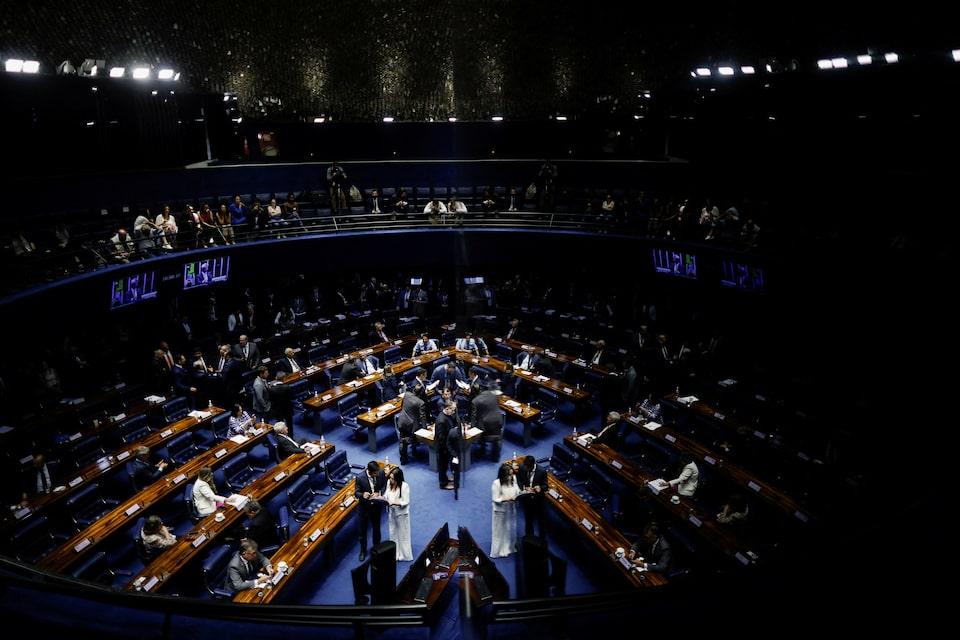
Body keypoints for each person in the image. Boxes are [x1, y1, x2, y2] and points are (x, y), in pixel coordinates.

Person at [355, 461, 386, 561]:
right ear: (369, 472)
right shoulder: (360, 478)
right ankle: (363, 551)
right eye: (375, 473)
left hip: (376, 507)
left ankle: (377, 548)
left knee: (376, 529)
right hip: (364, 508)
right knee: (362, 532)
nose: (377, 474)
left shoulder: (380, 472)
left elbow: (384, 485)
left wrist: (379, 493)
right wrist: (362, 494)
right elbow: (356, 493)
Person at [490, 463, 521, 558]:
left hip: (511, 509)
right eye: (508, 475)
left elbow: (517, 490)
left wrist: (521, 493)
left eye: (511, 474)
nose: (511, 477)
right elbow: (495, 499)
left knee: (510, 529)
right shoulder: (496, 483)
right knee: (499, 531)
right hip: (500, 511)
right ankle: (497, 551)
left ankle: (509, 548)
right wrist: (506, 499)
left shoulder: (513, 479)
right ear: (503, 475)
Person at [384, 467, 412, 561]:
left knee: (403, 535)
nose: (390, 480)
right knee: (393, 533)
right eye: (390, 478)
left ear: (398, 479)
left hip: (402, 514)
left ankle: (404, 555)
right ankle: (395, 554)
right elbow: (386, 494)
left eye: (392, 478)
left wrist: (396, 503)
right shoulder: (389, 483)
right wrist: (382, 498)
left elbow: (406, 501)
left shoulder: (404, 486)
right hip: (391, 513)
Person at [516, 455, 548, 537]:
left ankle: (542, 538)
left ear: (532, 465)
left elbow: (546, 486)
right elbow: (519, 479)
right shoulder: (522, 467)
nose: (526, 469)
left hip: (539, 499)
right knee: (528, 520)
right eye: (525, 466)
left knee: (541, 521)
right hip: (527, 499)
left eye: (527, 467)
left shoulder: (542, 471)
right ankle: (529, 537)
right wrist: (523, 487)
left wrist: (540, 488)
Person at [396, 389, 426, 464]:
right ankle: (409, 444)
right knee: (413, 438)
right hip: (411, 424)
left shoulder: (407, 394)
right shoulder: (421, 402)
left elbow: (402, 406)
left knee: (401, 439)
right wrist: (424, 428)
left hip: (402, 420)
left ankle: (403, 460)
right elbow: (422, 416)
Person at [435, 401, 457, 489]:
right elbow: (441, 438)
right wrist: (447, 449)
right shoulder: (441, 420)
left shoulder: (447, 415)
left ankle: (445, 478)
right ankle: (443, 484)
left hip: (446, 446)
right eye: (453, 410)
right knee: (442, 466)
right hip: (442, 448)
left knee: (444, 465)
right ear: (447, 408)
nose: (454, 412)